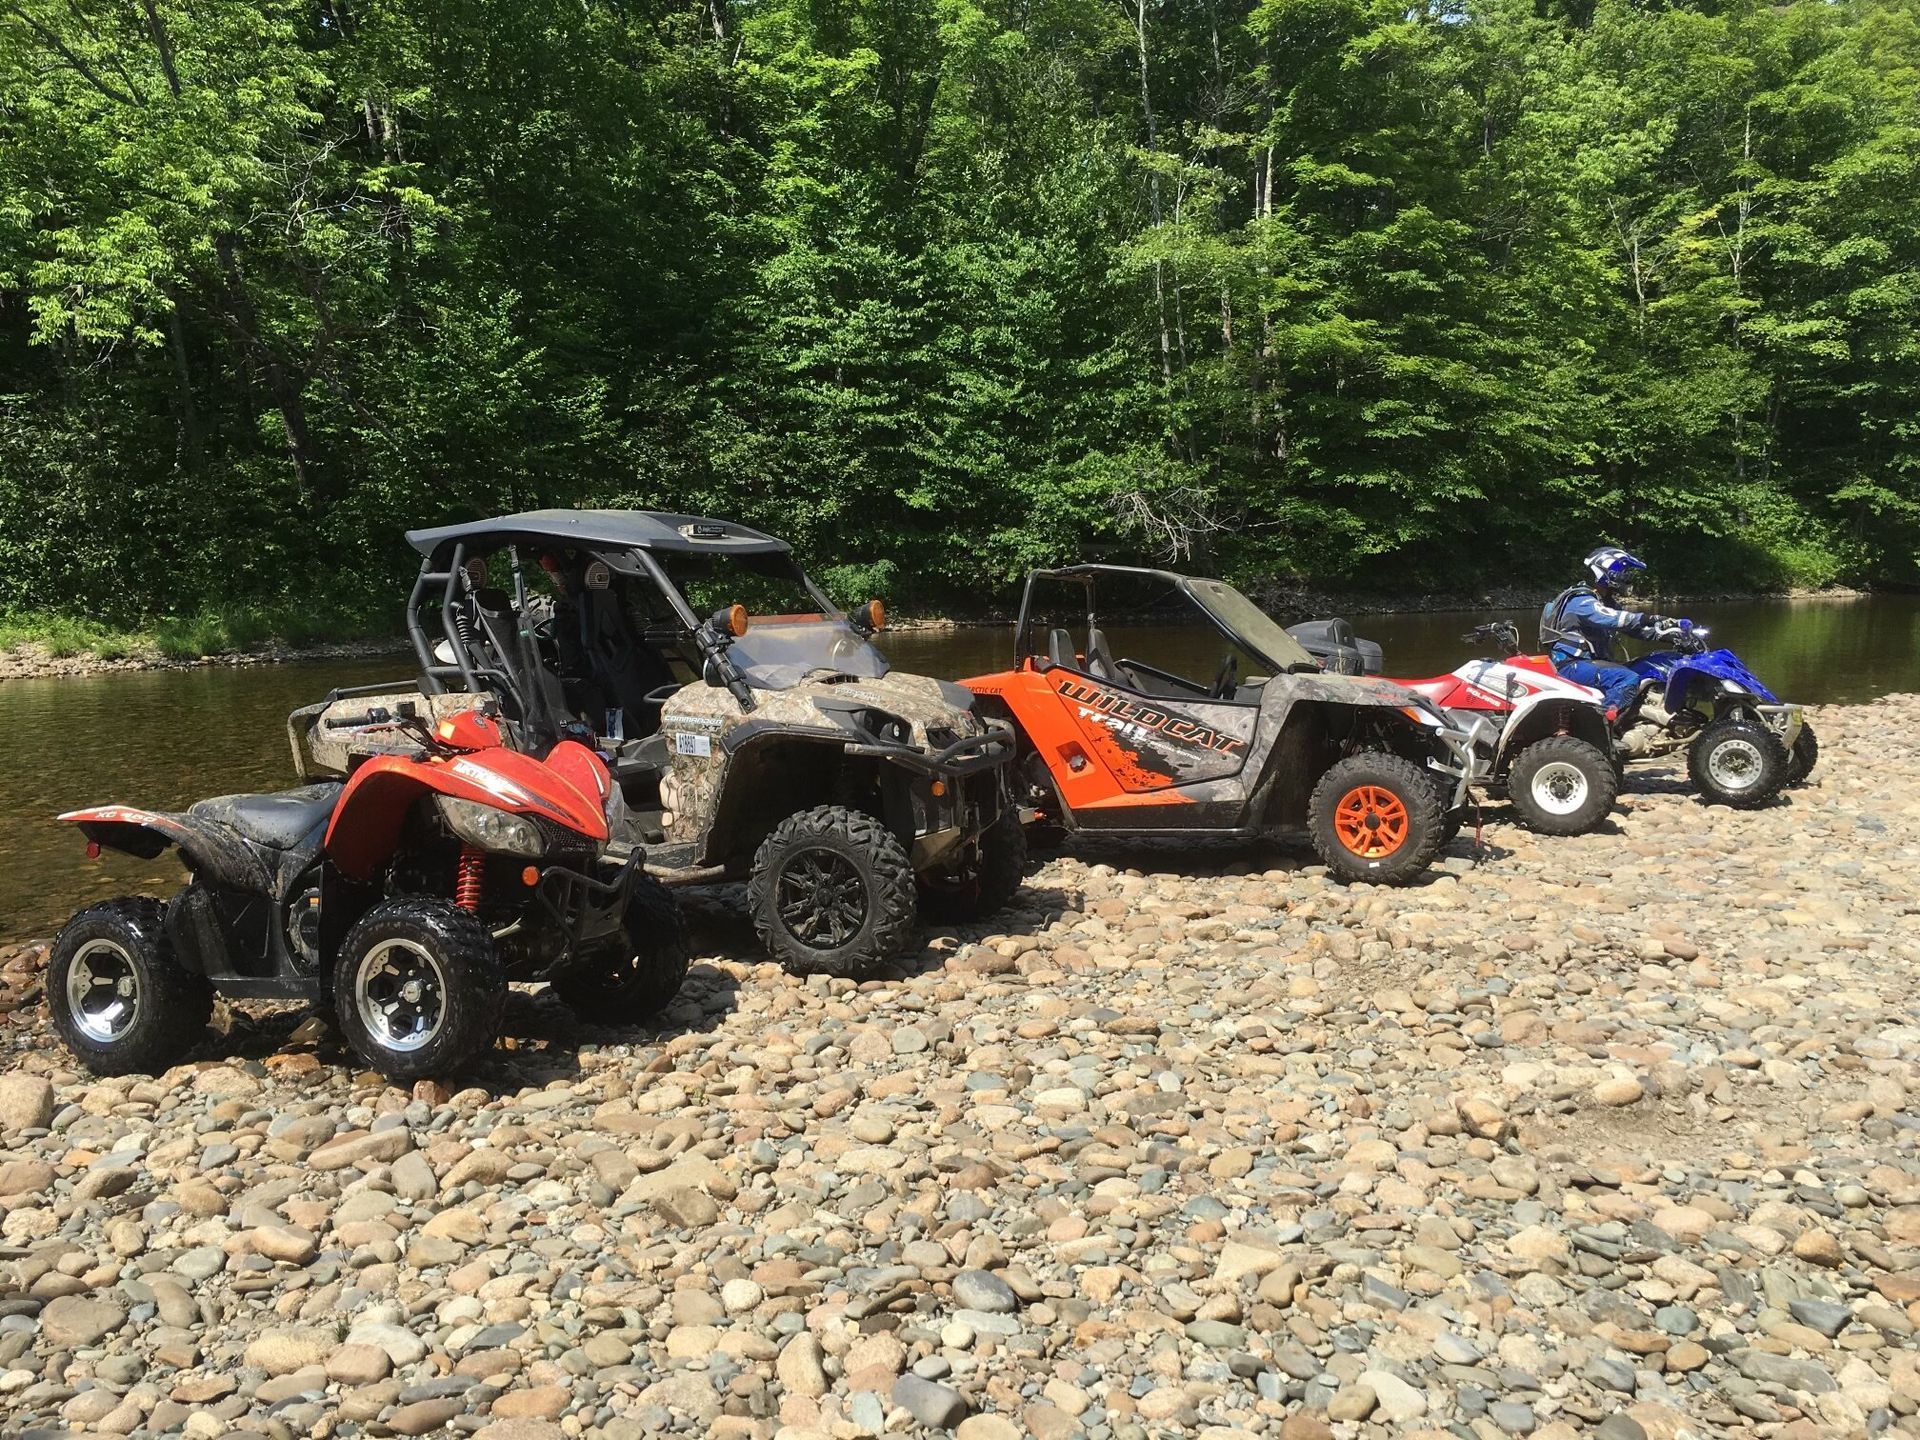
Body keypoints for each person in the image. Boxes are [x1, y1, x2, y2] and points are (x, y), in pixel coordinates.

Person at [1539, 546, 1685, 714]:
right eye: (1621, 570)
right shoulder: (1580, 600)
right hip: (1571, 666)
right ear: (1605, 570)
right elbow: (1614, 618)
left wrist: (1666, 635)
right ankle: (1603, 724)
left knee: (1646, 667)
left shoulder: (1606, 603)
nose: (1625, 575)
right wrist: (1652, 618)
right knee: (1626, 678)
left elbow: (1635, 629)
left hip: (1592, 663)